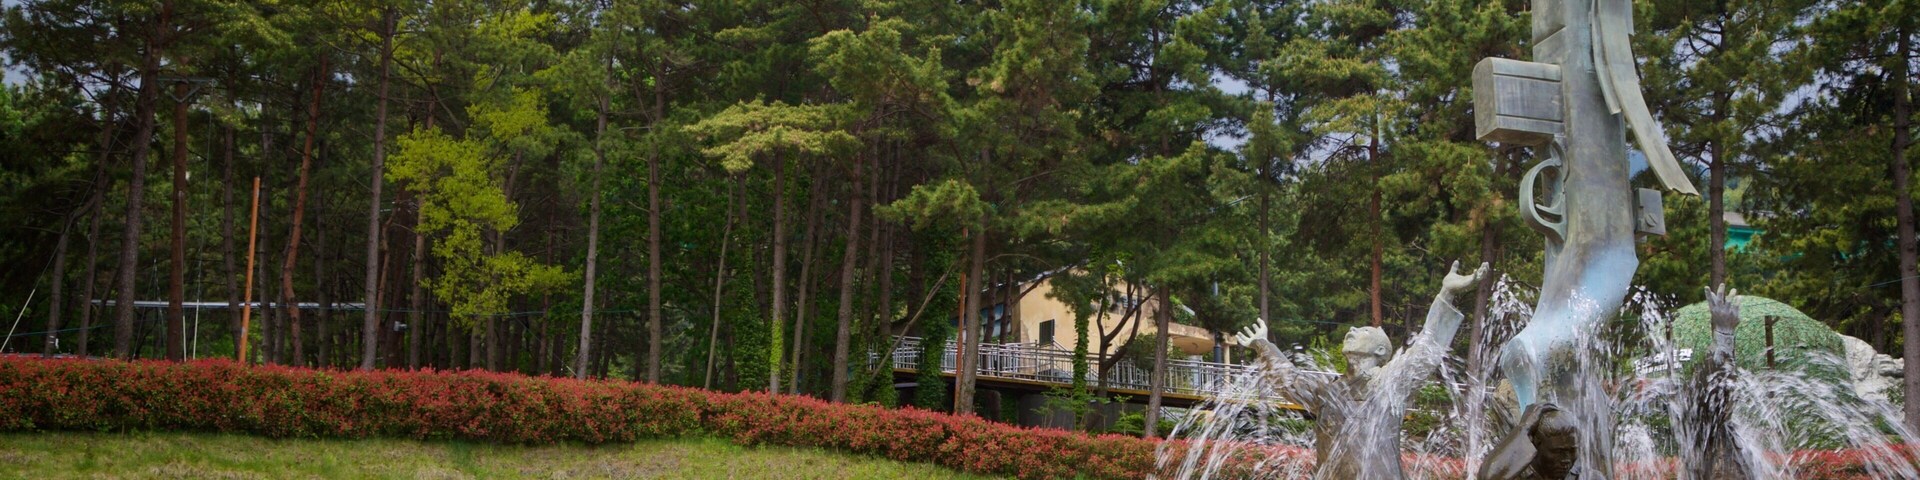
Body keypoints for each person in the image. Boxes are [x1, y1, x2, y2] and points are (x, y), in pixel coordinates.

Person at [1233, 261, 1488, 480]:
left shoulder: (1389, 383)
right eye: (1354, 329)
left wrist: (1445, 294)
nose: (1351, 331)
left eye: (1363, 331)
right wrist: (1264, 345)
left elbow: (1425, 349)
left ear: (1380, 352)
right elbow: (1289, 381)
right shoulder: (1329, 391)